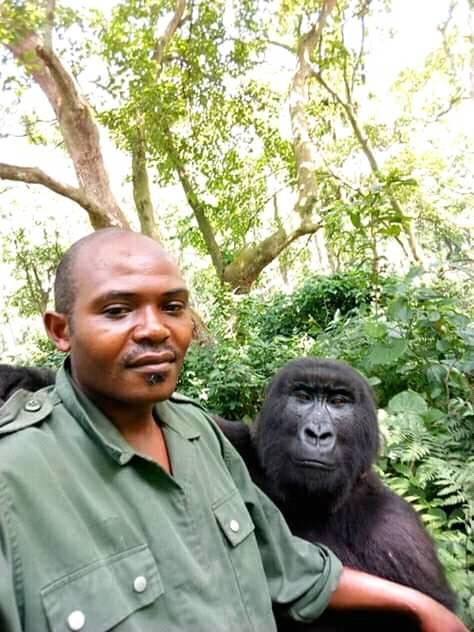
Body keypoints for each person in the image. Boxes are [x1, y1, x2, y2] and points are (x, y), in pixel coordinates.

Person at [0, 228, 467, 632]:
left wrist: (419, 605)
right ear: (62, 331)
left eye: (172, 306)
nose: (153, 329)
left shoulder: (197, 438)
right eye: (118, 310)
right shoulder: (16, 481)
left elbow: (287, 566)